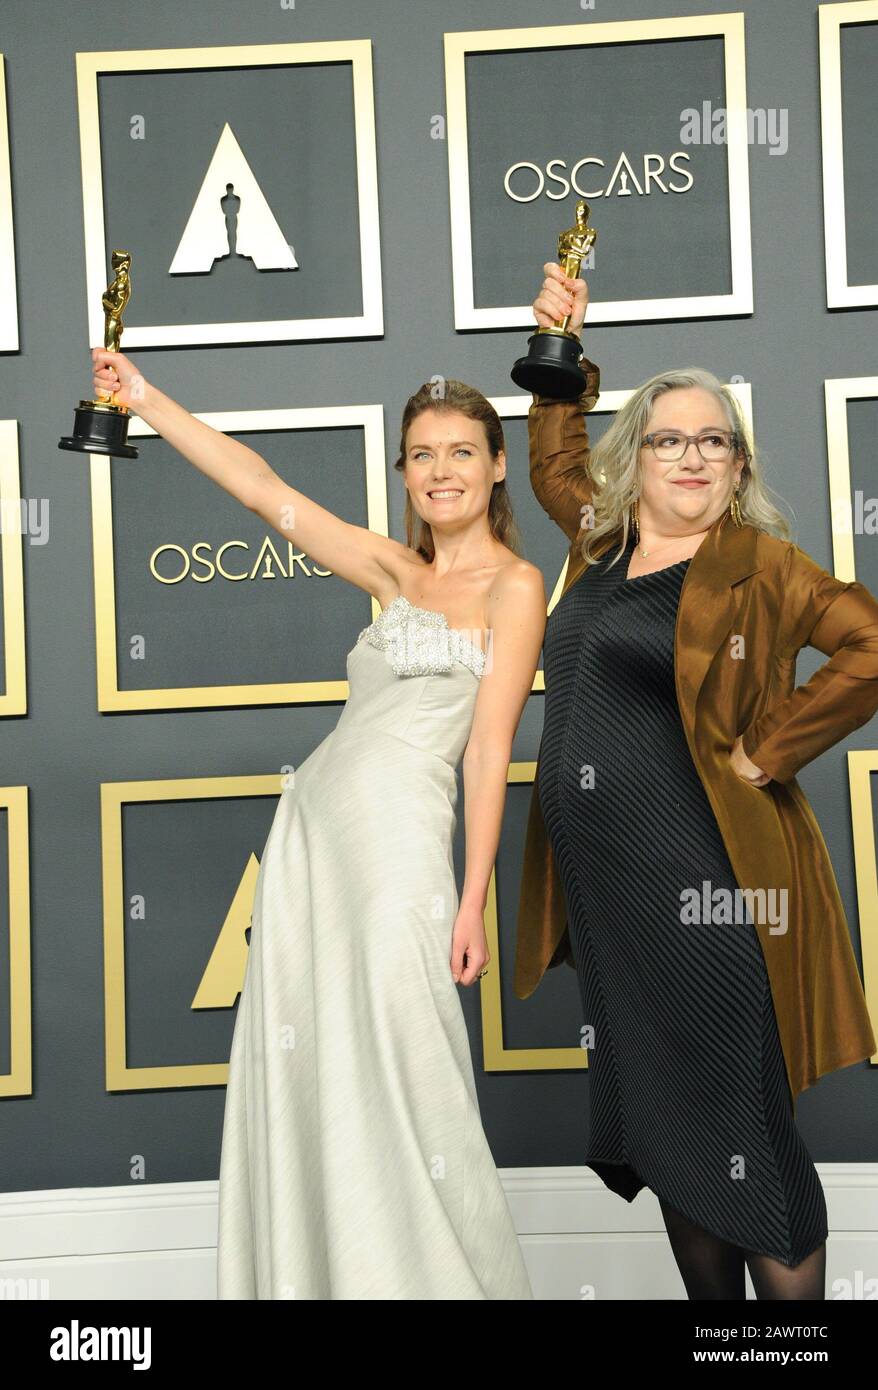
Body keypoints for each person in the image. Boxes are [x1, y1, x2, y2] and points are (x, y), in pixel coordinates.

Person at [90, 348, 544, 1300]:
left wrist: (473, 899)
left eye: (462, 452)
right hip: (315, 839)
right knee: (320, 1053)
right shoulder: (389, 568)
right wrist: (145, 399)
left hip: (402, 848)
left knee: (407, 1057)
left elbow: (488, 749)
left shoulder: (515, 588)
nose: (442, 472)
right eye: (422, 456)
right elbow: (263, 490)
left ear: (497, 465)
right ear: (405, 473)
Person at [514, 263, 878, 1301]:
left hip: (711, 897)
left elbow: (866, 648)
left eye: (709, 439)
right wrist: (556, 351)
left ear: (735, 462)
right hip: (615, 912)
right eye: (666, 437)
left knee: (742, 1138)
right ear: (637, 457)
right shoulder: (601, 538)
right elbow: (551, 463)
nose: (688, 454)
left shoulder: (757, 563)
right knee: (670, 1136)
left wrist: (769, 749)